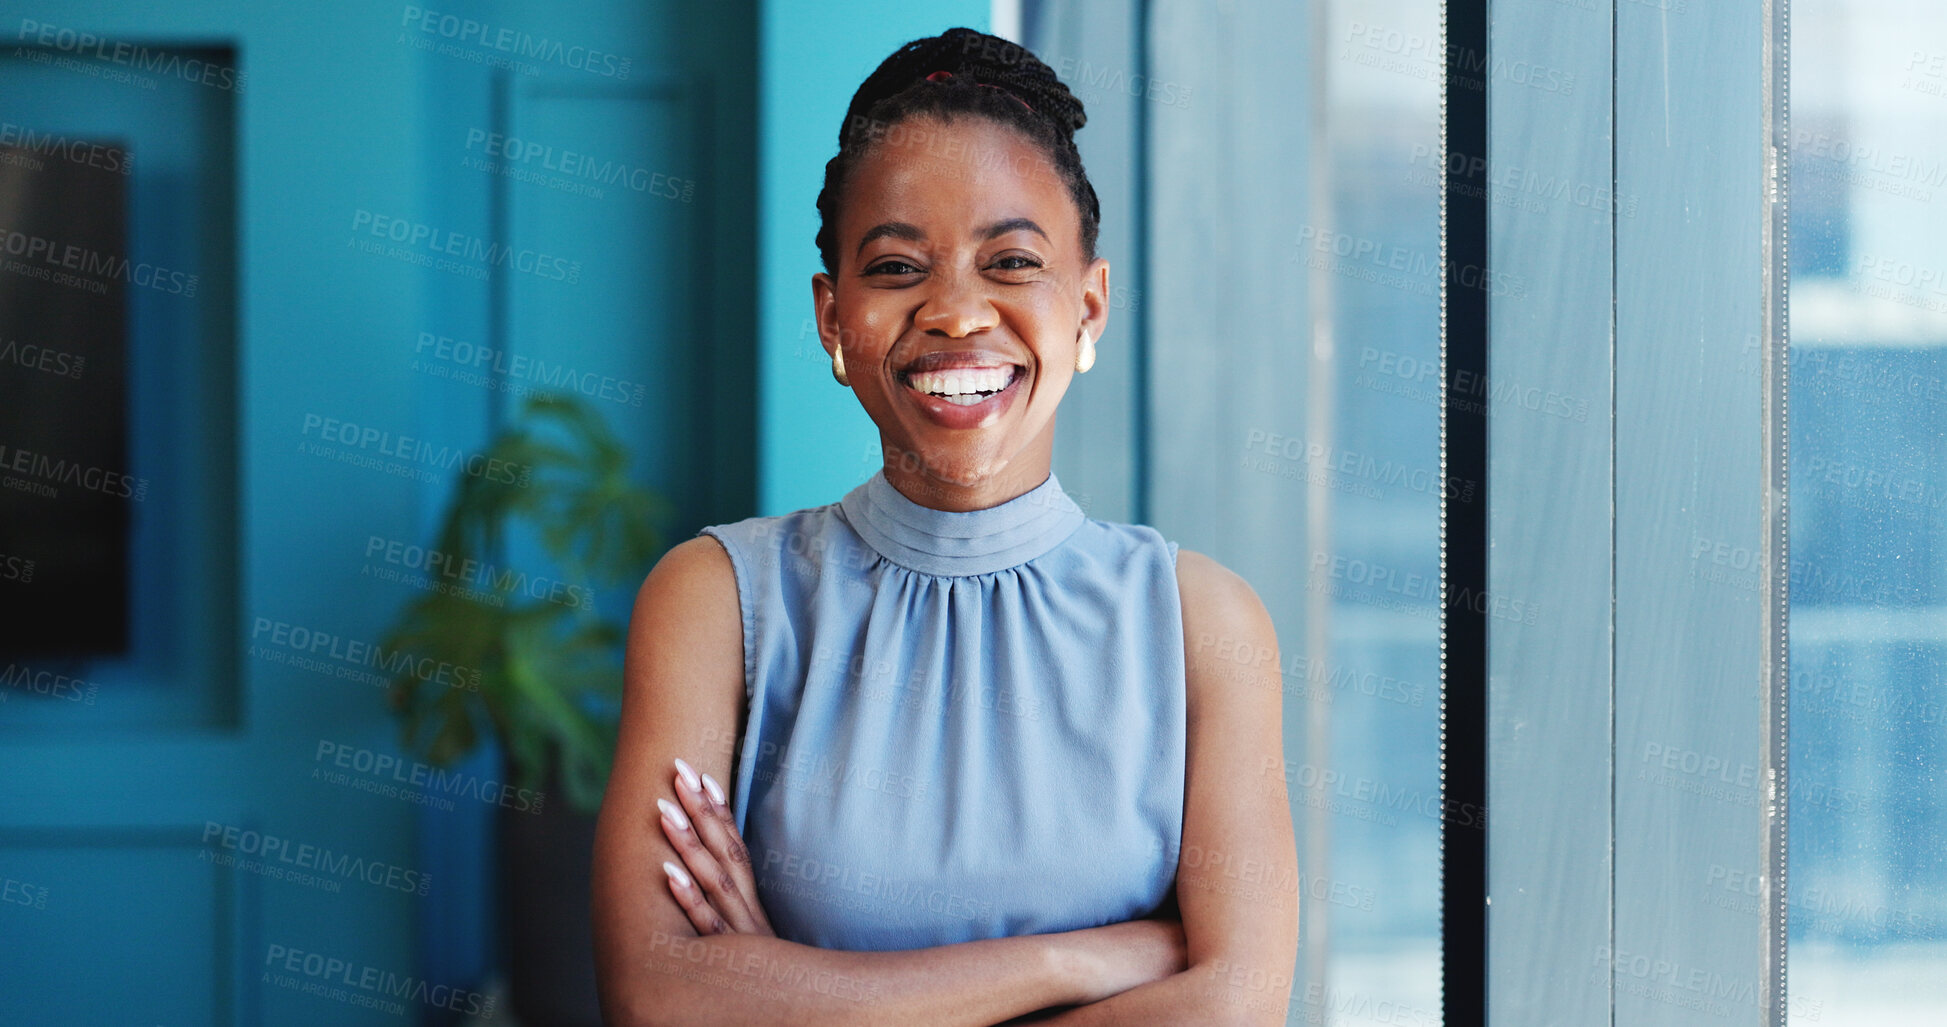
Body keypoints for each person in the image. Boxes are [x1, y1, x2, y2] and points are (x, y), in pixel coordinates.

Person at [592, 27, 1297, 1026]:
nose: (958, 313)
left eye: (1010, 261)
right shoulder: (716, 601)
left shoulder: (1203, 624)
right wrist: (1078, 961)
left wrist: (787, 992)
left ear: (1088, 311)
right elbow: (659, 999)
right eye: (895, 268)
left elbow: (1230, 1010)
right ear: (834, 321)